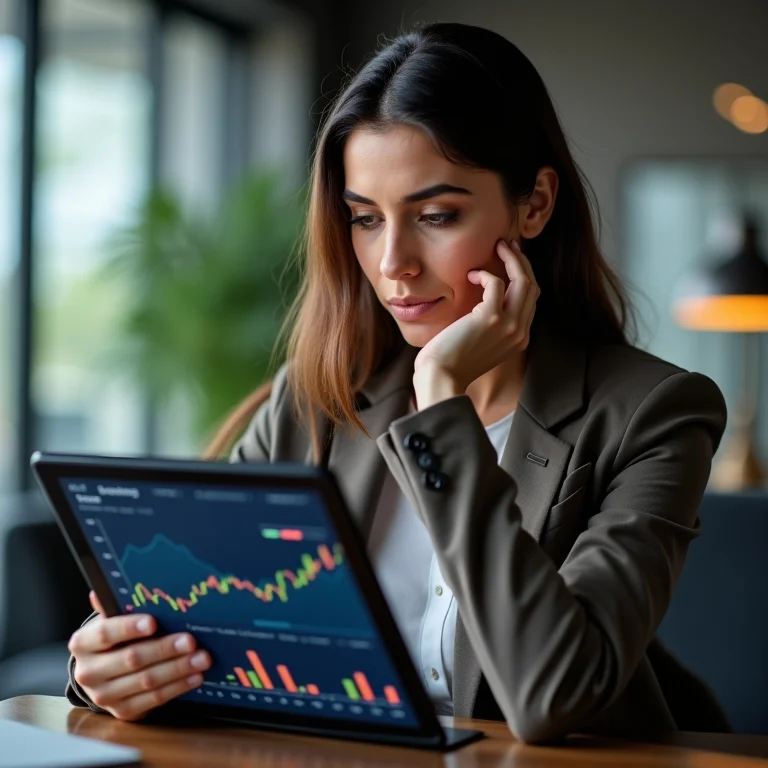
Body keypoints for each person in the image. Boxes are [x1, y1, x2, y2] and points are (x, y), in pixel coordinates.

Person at [64, 22, 729, 743]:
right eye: (365, 220)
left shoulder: (655, 415)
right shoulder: (314, 399)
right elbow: (201, 627)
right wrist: (114, 673)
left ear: (534, 204)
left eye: (436, 216)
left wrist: (443, 399)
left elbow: (553, 695)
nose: (393, 264)